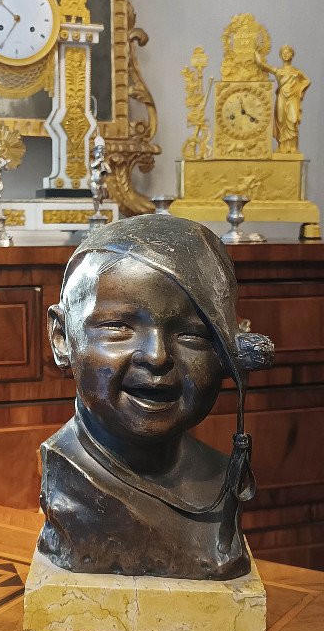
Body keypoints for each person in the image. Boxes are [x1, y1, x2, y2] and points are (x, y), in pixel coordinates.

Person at [39, 214, 274, 581]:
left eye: (192, 336)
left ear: (229, 353)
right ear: (62, 338)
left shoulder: (220, 477)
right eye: (118, 327)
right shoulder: (68, 475)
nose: (157, 356)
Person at [254, 45, 310, 154]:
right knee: (281, 121)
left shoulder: (296, 72)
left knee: (293, 121)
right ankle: (282, 147)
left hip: (293, 99)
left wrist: (300, 92)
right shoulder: (278, 71)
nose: (285, 54)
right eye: (283, 52)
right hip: (281, 98)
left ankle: (293, 147)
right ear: (280, 55)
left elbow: (307, 81)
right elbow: (262, 65)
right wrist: (255, 52)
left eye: (288, 52)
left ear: (292, 55)